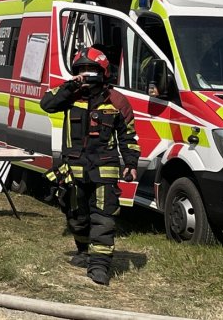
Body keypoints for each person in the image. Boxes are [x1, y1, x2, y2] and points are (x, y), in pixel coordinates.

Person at [40, 46, 139, 286]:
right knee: (76, 215)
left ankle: (100, 266)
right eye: (81, 70)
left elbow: (129, 137)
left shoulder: (116, 101)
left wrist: (131, 163)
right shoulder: (70, 96)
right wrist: (72, 85)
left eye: (91, 69)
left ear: (103, 71)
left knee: (103, 217)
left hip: (104, 168)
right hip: (73, 169)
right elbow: (47, 103)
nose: (86, 74)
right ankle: (83, 251)